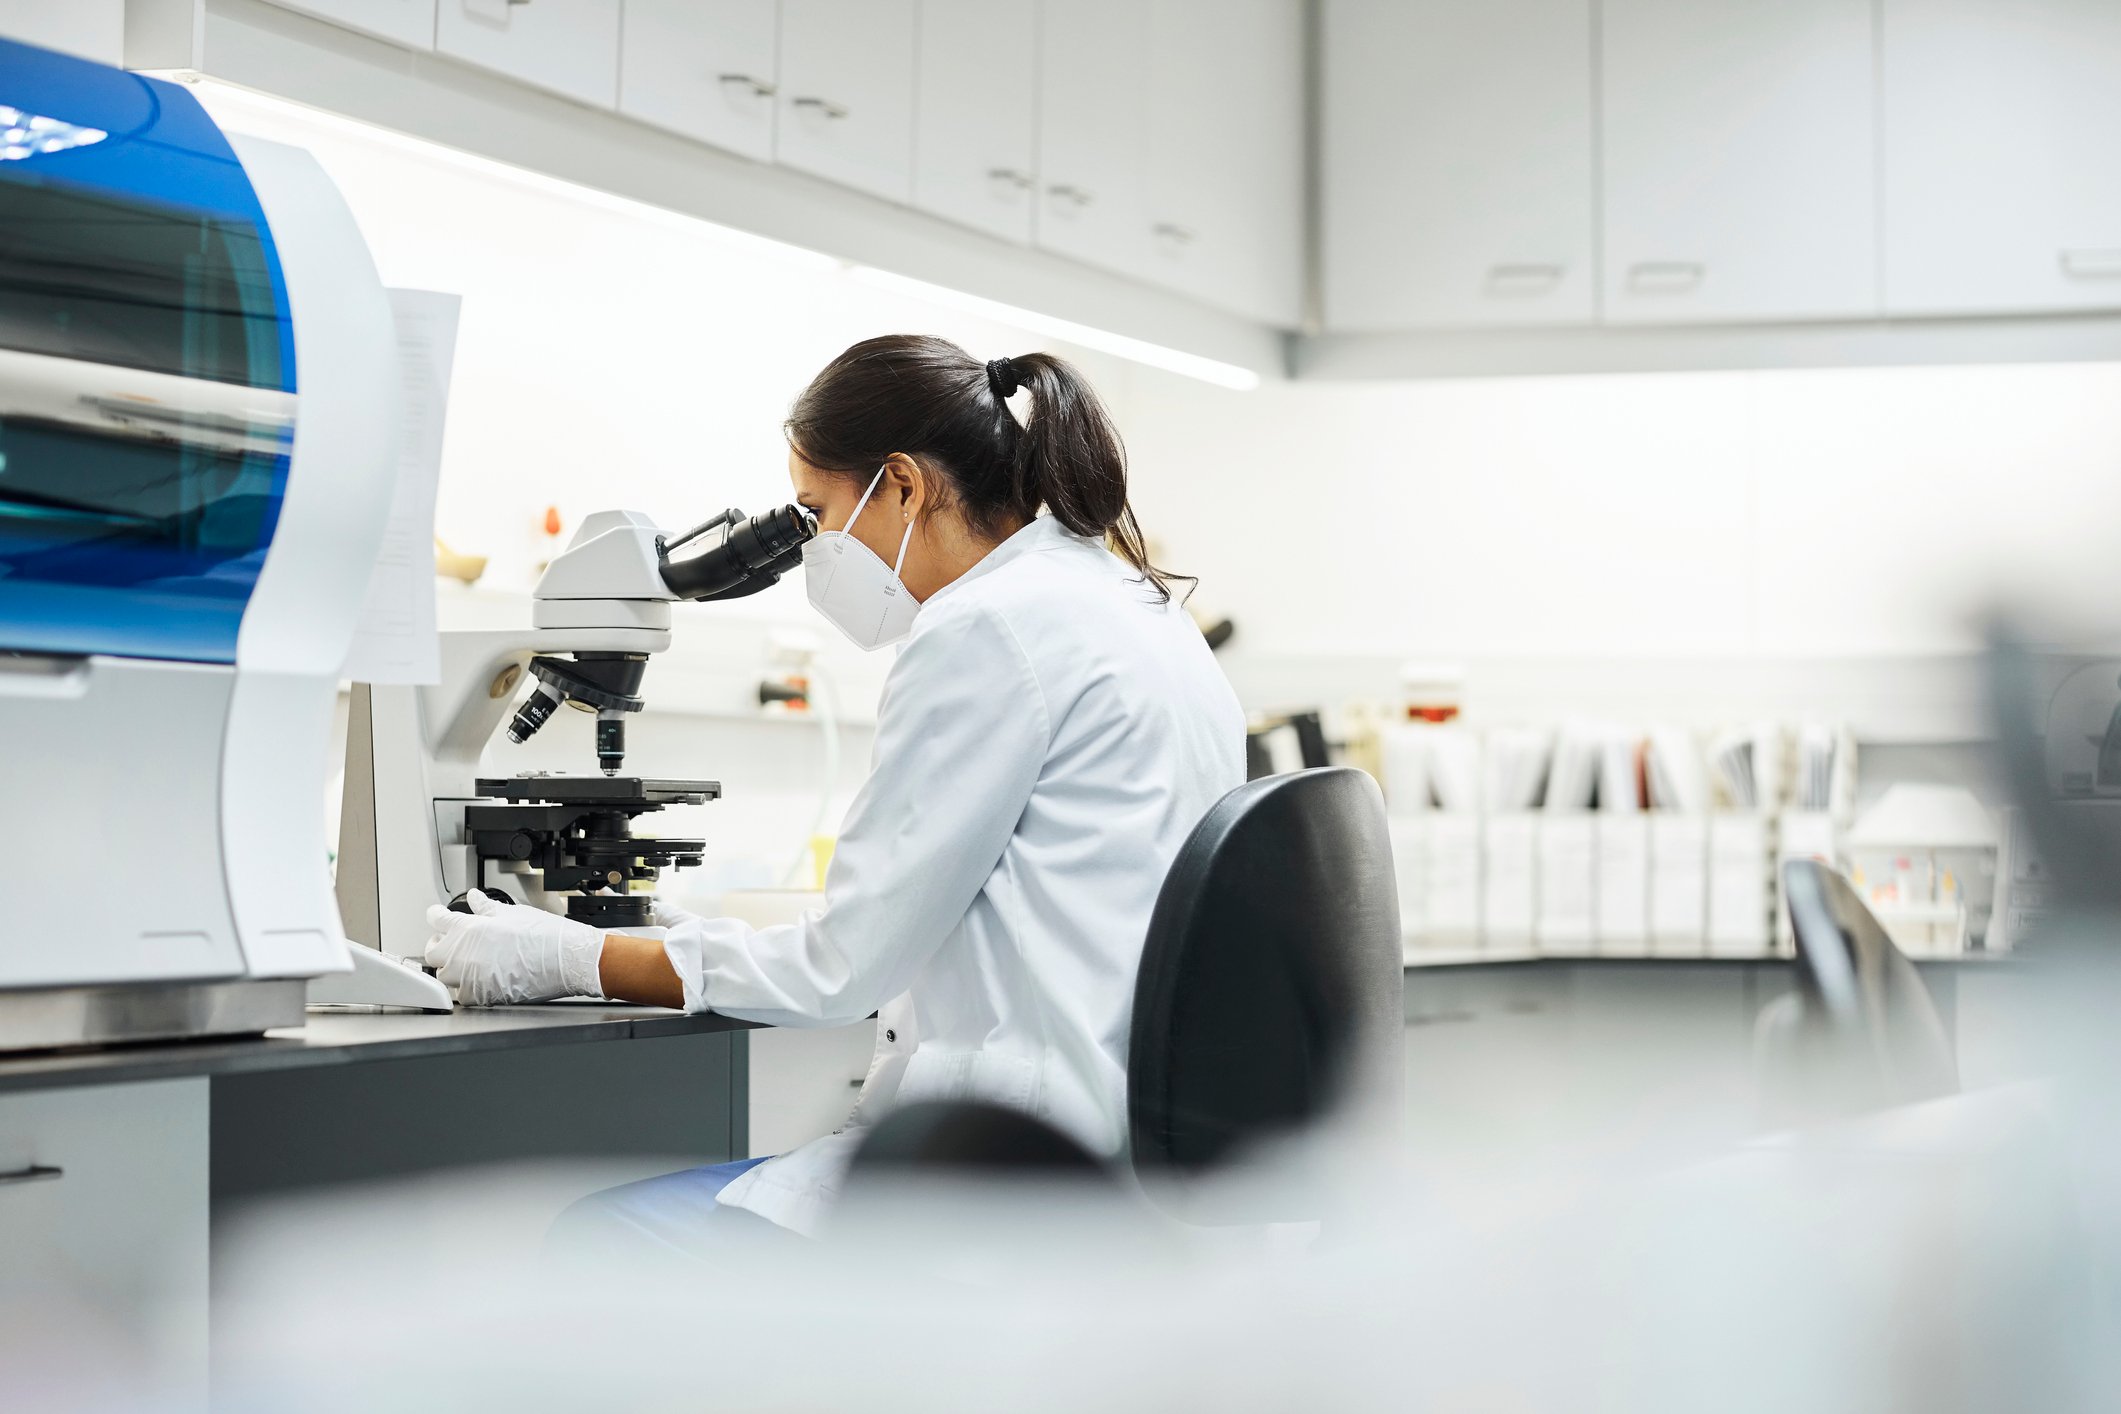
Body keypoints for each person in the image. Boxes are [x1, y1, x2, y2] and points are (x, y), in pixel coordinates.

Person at [424, 335, 1246, 1247]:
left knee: (603, 1235)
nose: (812, 542)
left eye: (815, 511)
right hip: (1126, 1153)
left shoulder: (986, 629)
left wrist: (572, 959)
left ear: (901, 484)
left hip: (1009, 1169)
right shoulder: (1131, 605)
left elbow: (841, 969)